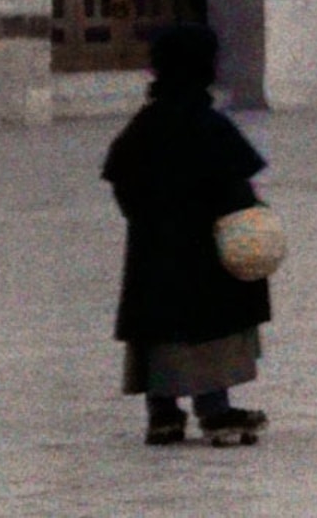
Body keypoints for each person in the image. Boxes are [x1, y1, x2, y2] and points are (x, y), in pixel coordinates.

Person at [102, 24, 271, 447]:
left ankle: (163, 415)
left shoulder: (145, 125)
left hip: (153, 251)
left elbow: (122, 180)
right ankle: (215, 410)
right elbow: (236, 190)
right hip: (204, 254)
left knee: (159, 329)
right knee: (208, 324)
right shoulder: (207, 125)